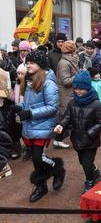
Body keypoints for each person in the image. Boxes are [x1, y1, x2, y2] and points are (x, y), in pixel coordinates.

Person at [11, 50, 65, 202]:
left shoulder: (48, 83)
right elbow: (28, 103)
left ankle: (56, 170)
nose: (27, 65)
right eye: (27, 62)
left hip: (43, 126)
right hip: (30, 126)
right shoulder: (29, 80)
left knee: (37, 157)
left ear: (40, 65)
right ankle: (43, 185)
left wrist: (29, 113)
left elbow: (52, 107)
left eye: (31, 63)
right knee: (36, 159)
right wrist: (20, 107)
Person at [54, 71, 101, 192]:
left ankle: (90, 180)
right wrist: (61, 125)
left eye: (81, 89)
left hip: (90, 141)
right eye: (76, 88)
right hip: (77, 139)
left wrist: (90, 133)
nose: (78, 91)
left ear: (87, 88)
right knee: (83, 161)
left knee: (87, 162)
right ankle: (96, 172)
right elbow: (67, 116)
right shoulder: (72, 102)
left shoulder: (96, 104)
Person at [54, 40, 79, 149]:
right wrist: (79, 75)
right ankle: (58, 139)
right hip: (66, 94)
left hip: (71, 94)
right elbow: (65, 81)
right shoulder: (64, 62)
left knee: (70, 118)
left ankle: (59, 139)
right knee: (67, 119)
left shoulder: (70, 59)